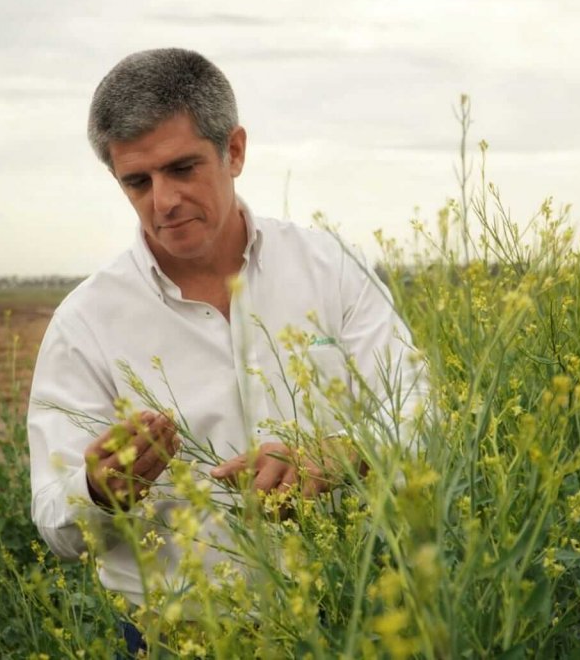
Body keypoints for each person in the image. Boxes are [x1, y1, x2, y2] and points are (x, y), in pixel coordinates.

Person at [27, 48, 423, 654]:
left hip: (349, 613)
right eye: (138, 181)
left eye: (182, 168)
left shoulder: (330, 269)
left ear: (234, 150)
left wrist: (344, 453)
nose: (163, 201)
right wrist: (101, 490)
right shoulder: (86, 322)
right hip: (173, 635)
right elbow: (55, 521)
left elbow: (422, 418)